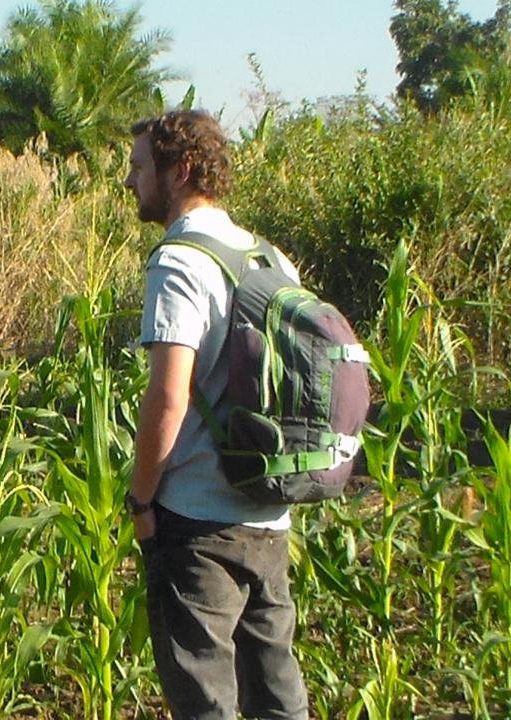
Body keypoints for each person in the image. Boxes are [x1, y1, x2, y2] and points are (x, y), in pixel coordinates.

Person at [122, 110, 308, 720]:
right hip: (270, 509)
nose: (130, 182)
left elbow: (167, 398)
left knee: (204, 698)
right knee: (276, 691)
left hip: (199, 521)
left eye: (139, 167)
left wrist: (141, 500)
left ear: (179, 171)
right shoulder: (271, 258)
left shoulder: (179, 262)